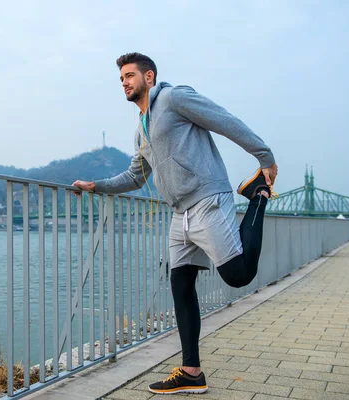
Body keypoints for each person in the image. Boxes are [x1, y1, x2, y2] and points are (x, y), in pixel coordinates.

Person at [72, 52, 278, 395]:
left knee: (238, 274)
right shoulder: (140, 129)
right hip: (179, 214)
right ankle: (191, 373)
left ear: (148, 77)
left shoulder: (174, 98)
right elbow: (136, 176)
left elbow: (224, 120)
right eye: (120, 78)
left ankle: (257, 195)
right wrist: (98, 186)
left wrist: (264, 156)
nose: (124, 82)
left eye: (129, 75)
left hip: (206, 199)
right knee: (181, 287)